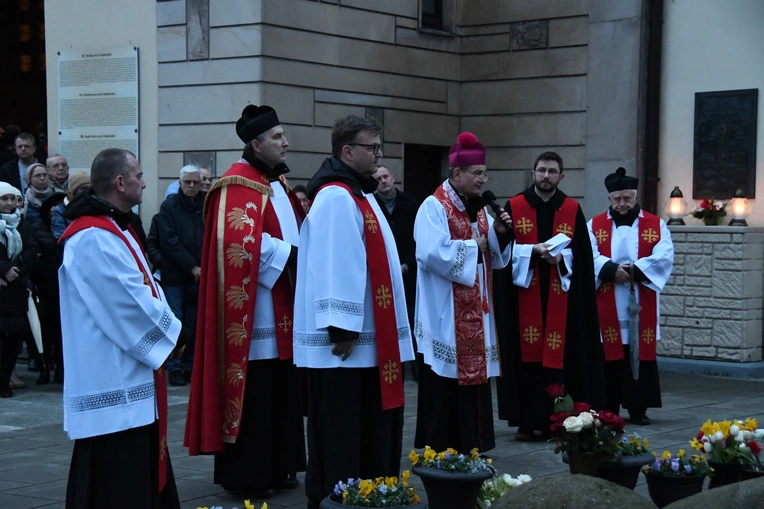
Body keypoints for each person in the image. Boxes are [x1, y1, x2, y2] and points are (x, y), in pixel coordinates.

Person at [185, 105, 307, 499]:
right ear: (256, 143)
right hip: (256, 312)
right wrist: (289, 255)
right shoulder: (236, 184)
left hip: (283, 303)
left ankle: (278, 466)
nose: (285, 142)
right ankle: (246, 475)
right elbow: (235, 242)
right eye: (277, 137)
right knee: (255, 393)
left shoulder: (279, 183)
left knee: (279, 390)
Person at [293, 114, 415, 508]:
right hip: (346, 348)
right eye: (372, 148)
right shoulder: (335, 196)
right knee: (344, 430)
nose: (378, 156)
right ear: (347, 151)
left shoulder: (357, 194)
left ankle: (369, 494)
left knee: (365, 428)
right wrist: (340, 326)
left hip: (365, 345)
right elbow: (336, 262)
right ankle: (340, 498)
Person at [58, 148, 182, 508]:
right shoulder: (92, 236)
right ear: (119, 182)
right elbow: (128, 302)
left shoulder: (116, 226)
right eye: (139, 175)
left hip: (130, 372)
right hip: (112, 376)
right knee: (114, 477)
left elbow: (147, 286)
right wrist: (175, 334)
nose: (144, 182)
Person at [413, 132, 513, 453]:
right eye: (478, 173)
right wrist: (473, 247)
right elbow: (430, 252)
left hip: (475, 313)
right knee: (446, 384)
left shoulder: (479, 208)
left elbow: (490, 255)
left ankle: (473, 443)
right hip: (445, 313)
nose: (483, 180)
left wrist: (498, 233)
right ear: (457, 174)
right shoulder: (433, 206)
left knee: (475, 383)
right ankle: (444, 446)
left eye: (485, 173)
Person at [495, 151, 604, 441]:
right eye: (541, 170)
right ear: (533, 173)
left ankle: (560, 421)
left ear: (561, 176)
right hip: (523, 297)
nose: (546, 176)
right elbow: (501, 253)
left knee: (561, 357)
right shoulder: (514, 206)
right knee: (525, 360)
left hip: (562, 299)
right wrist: (532, 251)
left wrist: (562, 259)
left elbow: (583, 256)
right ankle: (525, 420)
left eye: (552, 171)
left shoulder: (571, 209)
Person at [588, 168, 673, 425]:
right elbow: (587, 255)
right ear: (610, 200)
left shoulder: (656, 224)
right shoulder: (594, 225)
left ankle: (638, 408)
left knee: (638, 352)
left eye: (627, 198)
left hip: (640, 298)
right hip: (608, 296)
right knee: (609, 355)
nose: (622, 204)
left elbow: (664, 256)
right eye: (617, 199)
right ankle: (608, 407)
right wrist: (612, 270)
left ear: (636, 198)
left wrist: (634, 271)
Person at [158, 165, 205, 387]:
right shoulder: (169, 207)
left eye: (196, 182)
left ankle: (189, 366)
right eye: (188, 182)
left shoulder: (205, 204)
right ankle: (174, 367)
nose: (192, 186)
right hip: (175, 274)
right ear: (180, 183)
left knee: (194, 322)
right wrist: (191, 266)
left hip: (199, 275)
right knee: (175, 321)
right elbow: (169, 241)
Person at [372, 165, 419, 379]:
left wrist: (406, 265)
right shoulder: (370, 205)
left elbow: (418, 241)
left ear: (393, 178)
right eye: (378, 178)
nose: (382, 181)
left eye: (385, 176)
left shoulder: (410, 204)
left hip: (408, 276)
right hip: (381, 276)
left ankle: (417, 370)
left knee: (412, 321)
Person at [0, 182, 38, 398]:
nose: (9, 203)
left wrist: (16, 270)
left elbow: (33, 249)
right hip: (2, 283)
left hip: (15, 289)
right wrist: (4, 270)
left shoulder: (23, 225)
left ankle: (5, 380)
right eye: (3, 198)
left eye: (12, 199)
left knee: (13, 339)